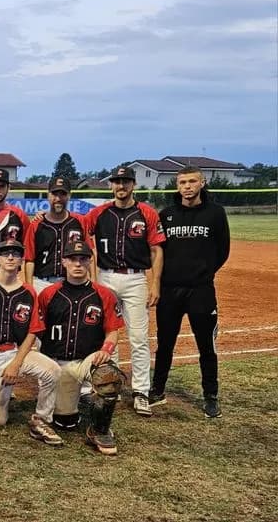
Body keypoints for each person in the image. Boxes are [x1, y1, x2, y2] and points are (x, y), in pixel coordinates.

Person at [31, 240, 126, 456]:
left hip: (87, 360)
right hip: (56, 364)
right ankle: (65, 406)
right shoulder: (48, 294)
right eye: (73, 259)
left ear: (89, 262)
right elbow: (35, 330)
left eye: (83, 259)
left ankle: (99, 430)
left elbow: (113, 330)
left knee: (109, 377)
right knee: (65, 422)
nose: (78, 264)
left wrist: (106, 349)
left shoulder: (104, 294)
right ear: (63, 262)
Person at [84, 164, 165, 417]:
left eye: (126, 181)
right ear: (111, 185)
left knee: (139, 338)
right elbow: (74, 226)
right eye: (117, 182)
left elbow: (157, 250)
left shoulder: (147, 214)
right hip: (106, 277)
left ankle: (141, 391)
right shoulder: (99, 213)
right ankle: (113, 384)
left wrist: (155, 283)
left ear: (133, 184)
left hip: (135, 278)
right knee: (107, 334)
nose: (121, 186)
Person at [150, 166, 230, 418]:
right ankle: (158, 389)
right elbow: (158, 251)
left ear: (202, 183)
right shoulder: (167, 214)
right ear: (177, 185)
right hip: (170, 290)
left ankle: (210, 396)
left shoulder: (215, 214)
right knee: (165, 344)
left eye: (192, 181)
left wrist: (203, 272)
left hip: (200, 291)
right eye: (182, 182)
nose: (187, 186)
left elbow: (223, 250)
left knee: (206, 346)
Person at [0, 240, 63, 446]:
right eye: (5, 253)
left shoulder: (29, 292)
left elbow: (33, 330)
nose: (10, 257)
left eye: (15, 254)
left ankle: (41, 420)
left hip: (18, 352)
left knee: (53, 371)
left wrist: (16, 363)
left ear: (21, 260)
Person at [24, 176, 92, 294]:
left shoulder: (79, 221)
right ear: (48, 195)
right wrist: (30, 289)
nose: (58, 198)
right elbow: (29, 259)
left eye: (62, 194)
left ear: (69, 196)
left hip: (72, 282)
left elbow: (90, 253)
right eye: (54, 194)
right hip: (41, 283)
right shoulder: (36, 224)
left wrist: (92, 282)